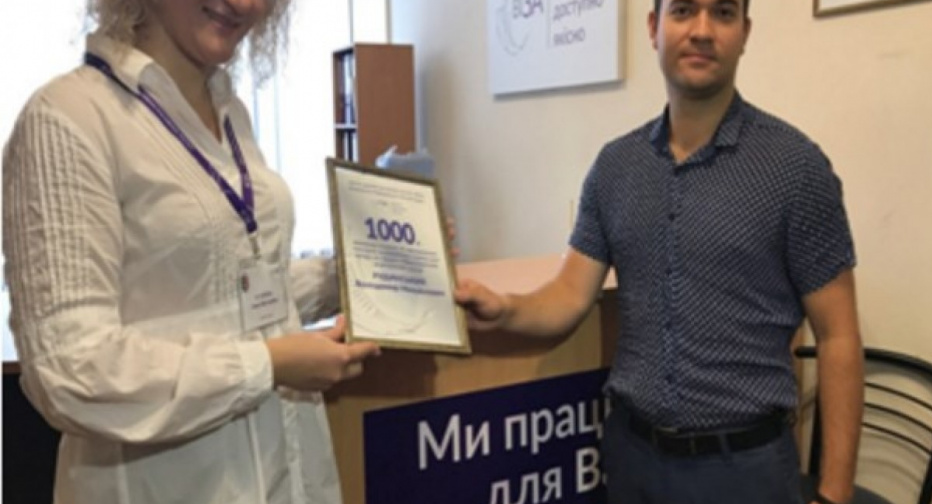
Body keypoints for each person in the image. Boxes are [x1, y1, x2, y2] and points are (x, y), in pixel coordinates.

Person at [455, 0, 863, 503]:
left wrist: (834, 494)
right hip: (633, 460)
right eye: (684, 10)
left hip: (745, 470)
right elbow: (569, 294)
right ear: (654, 27)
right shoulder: (614, 168)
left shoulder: (794, 169)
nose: (702, 30)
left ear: (745, 32)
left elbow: (839, 336)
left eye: (723, 13)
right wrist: (505, 309)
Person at [2, 1, 383, 503]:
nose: (247, 4)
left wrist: (351, 278)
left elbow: (224, 292)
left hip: (286, 477)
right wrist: (266, 365)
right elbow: (72, 370)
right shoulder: (68, 118)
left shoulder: (228, 111)